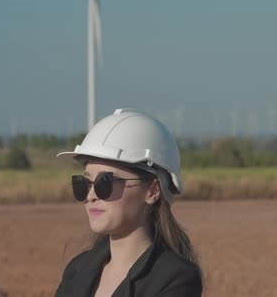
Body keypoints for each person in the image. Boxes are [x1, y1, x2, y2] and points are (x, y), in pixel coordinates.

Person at [55, 109, 202, 297]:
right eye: (84, 183)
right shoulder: (77, 270)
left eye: (105, 183)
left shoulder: (175, 279)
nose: (90, 196)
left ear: (153, 191)